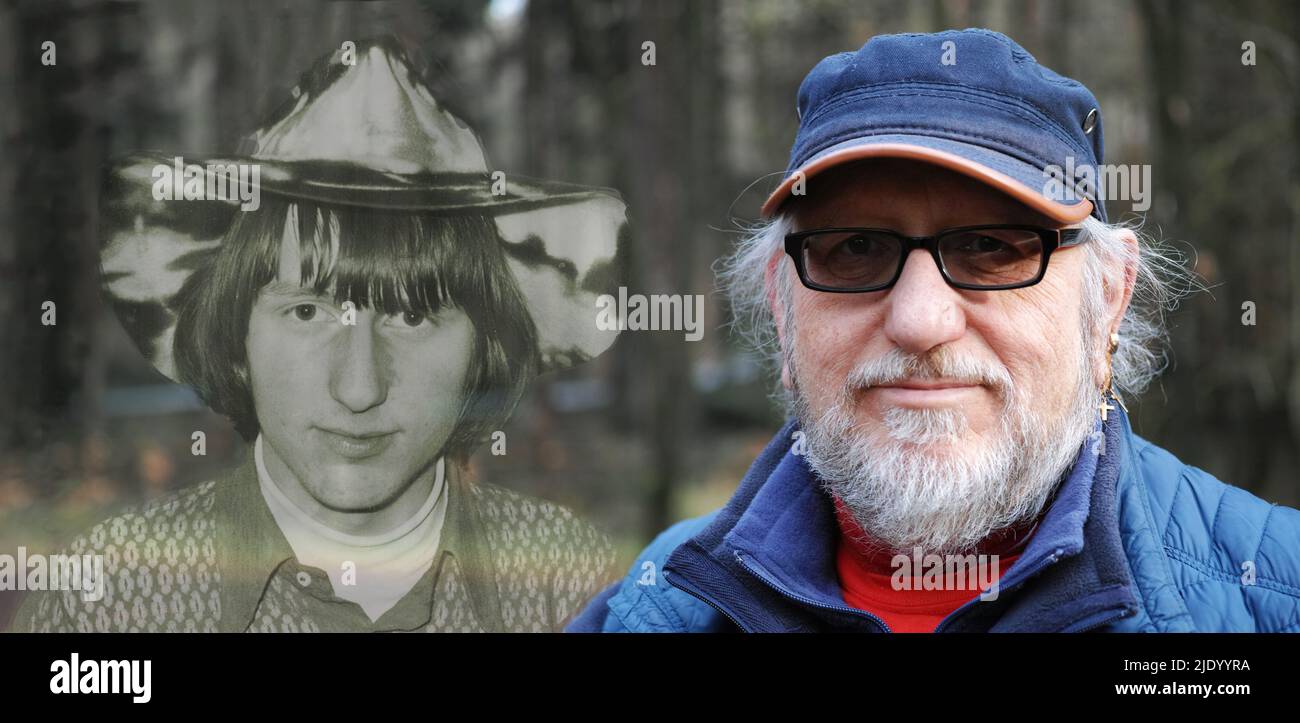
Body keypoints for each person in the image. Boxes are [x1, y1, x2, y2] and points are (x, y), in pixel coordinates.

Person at [570, 28, 1300, 633]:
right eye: (855, 249)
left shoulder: (1271, 597)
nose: (920, 321)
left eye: (992, 248)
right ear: (783, 308)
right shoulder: (652, 609)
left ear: (1106, 301)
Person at [14, 37, 627, 633]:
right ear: (237, 335)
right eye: (307, 311)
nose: (358, 388)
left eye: (412, 316)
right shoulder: (102, 603)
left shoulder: (571, 589)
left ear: (482, 348)